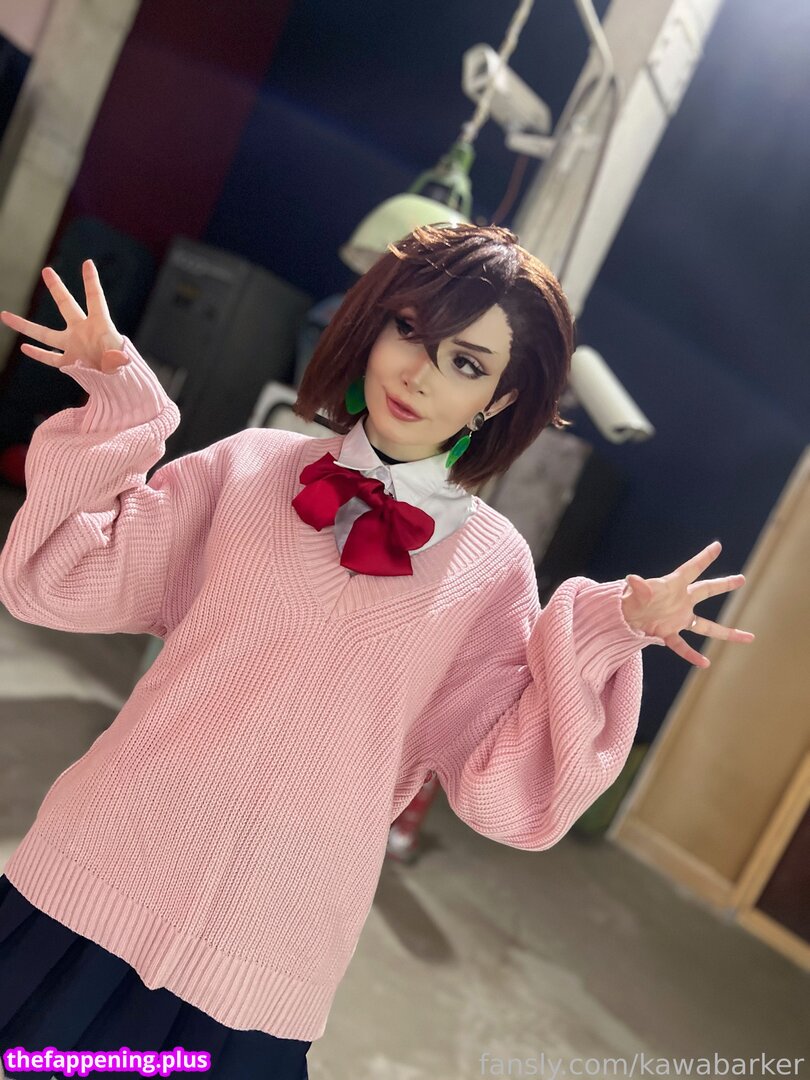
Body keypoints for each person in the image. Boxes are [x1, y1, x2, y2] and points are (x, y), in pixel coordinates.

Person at [0, 224, 755, 1078]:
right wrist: (118, 406)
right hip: (93, 869)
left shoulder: (494, 569)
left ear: (500, 399)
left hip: (264, 955)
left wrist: (608, 632)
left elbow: (509, 798)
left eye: (466, 363)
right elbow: (52, 580)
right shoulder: (251, 467)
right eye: (410, 331)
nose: (420, 374)